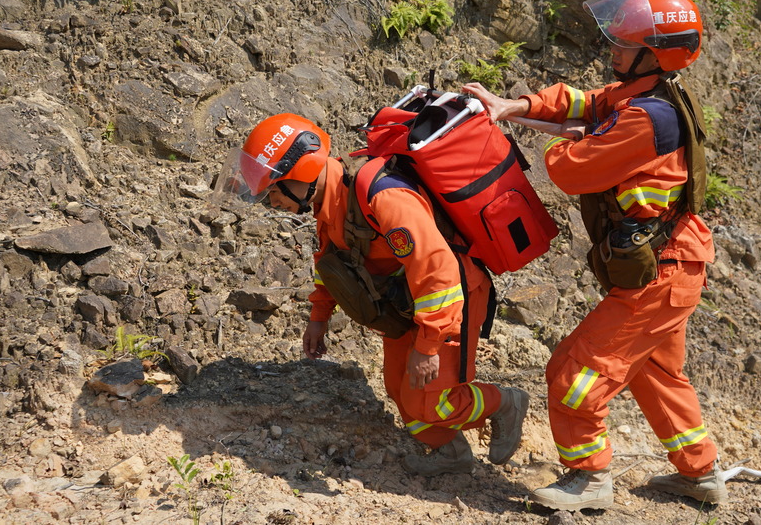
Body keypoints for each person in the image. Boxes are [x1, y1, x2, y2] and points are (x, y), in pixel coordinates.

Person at [464, 0, 726, 510]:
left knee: (572, 373)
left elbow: (570, 169)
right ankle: (701, 475)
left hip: (660, 274)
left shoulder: (648, 117)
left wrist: (569, 137)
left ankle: (588, 476)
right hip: (674, 265)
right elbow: (581, 102)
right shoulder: (642, 95)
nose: (613, 50)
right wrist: (512, 107)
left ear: (656, 54)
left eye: (626, 44)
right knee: (656, 374)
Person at [217, 114, 529, 476]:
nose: (272, 203)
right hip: (409, 303)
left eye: (273, 191)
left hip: (450, 299)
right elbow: (332, 261)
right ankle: (451, 452)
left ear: (302, 172)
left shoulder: (382, 198)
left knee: (432, 402)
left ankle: (504, 403)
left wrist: (428, 346)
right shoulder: (330, 202)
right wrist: (319, 317)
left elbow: (438, 273)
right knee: (399, 389)